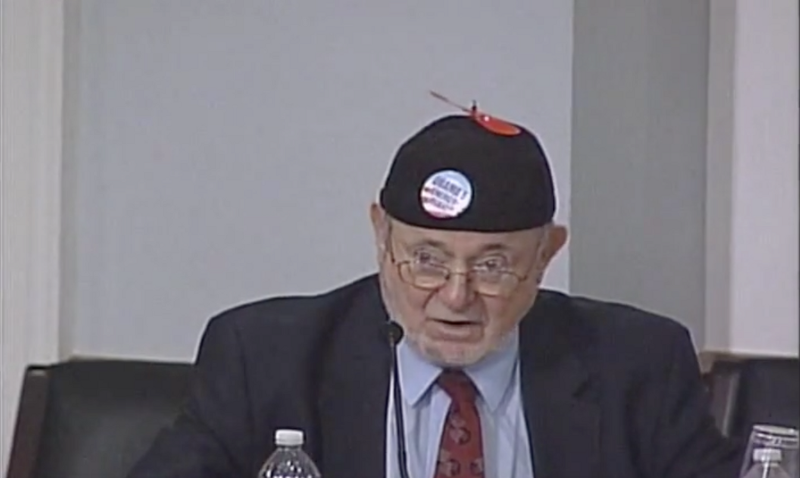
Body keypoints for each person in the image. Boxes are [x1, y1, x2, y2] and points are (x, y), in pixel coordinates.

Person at [128, 108, 743, 478]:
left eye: (493, 265)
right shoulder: (264, 358)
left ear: (548, 254)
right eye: (426, 260)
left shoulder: (638, 365)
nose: (455, 297)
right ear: (379, 235)